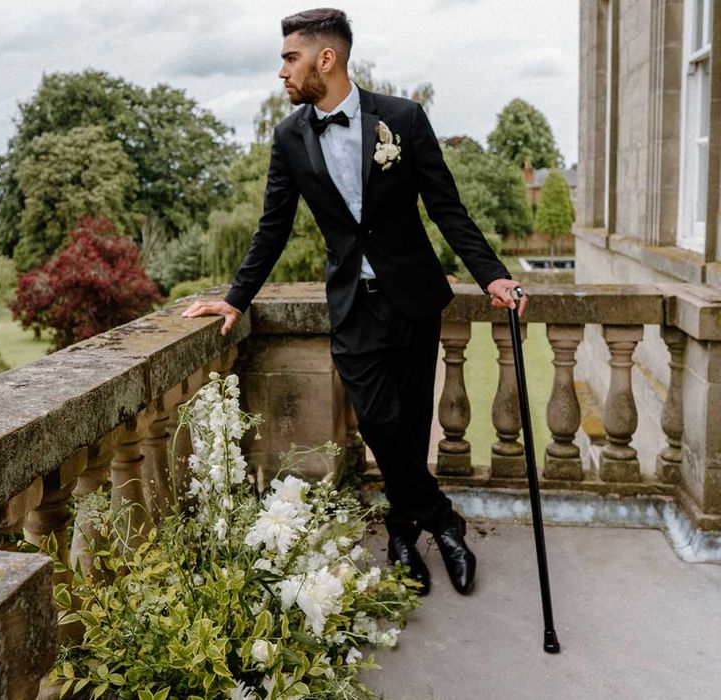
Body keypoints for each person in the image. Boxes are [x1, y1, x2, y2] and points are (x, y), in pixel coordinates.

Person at [182, 8, 527, 596]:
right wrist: (235, 299)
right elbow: (273, 228)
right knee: (377, 420)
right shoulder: (290, 136)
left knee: (413, 421)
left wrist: (492, 275)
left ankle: (401, 530)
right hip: (353, 303)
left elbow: (447, 208)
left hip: (414, 297)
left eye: (290, 58)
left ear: (326, 58)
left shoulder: (402, 119)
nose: (282, 72)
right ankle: (443, 523)